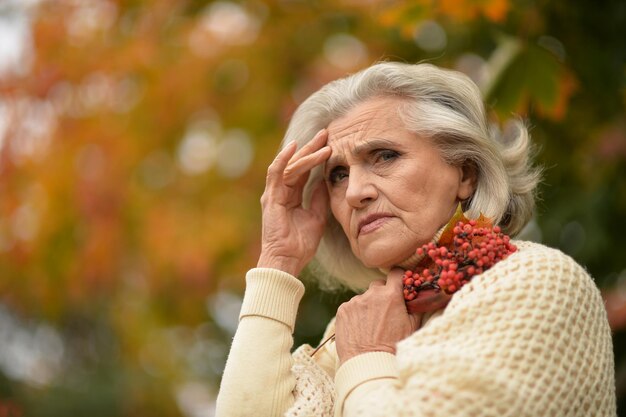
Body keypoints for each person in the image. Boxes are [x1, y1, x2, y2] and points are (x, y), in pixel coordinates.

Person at [215, 62, 616, 417]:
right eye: (338, 174)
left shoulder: (538, 280)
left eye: (384, 156)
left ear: (465, 174)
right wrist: (278, 259)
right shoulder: (352, 331)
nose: (355, 192)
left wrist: (370, 358)